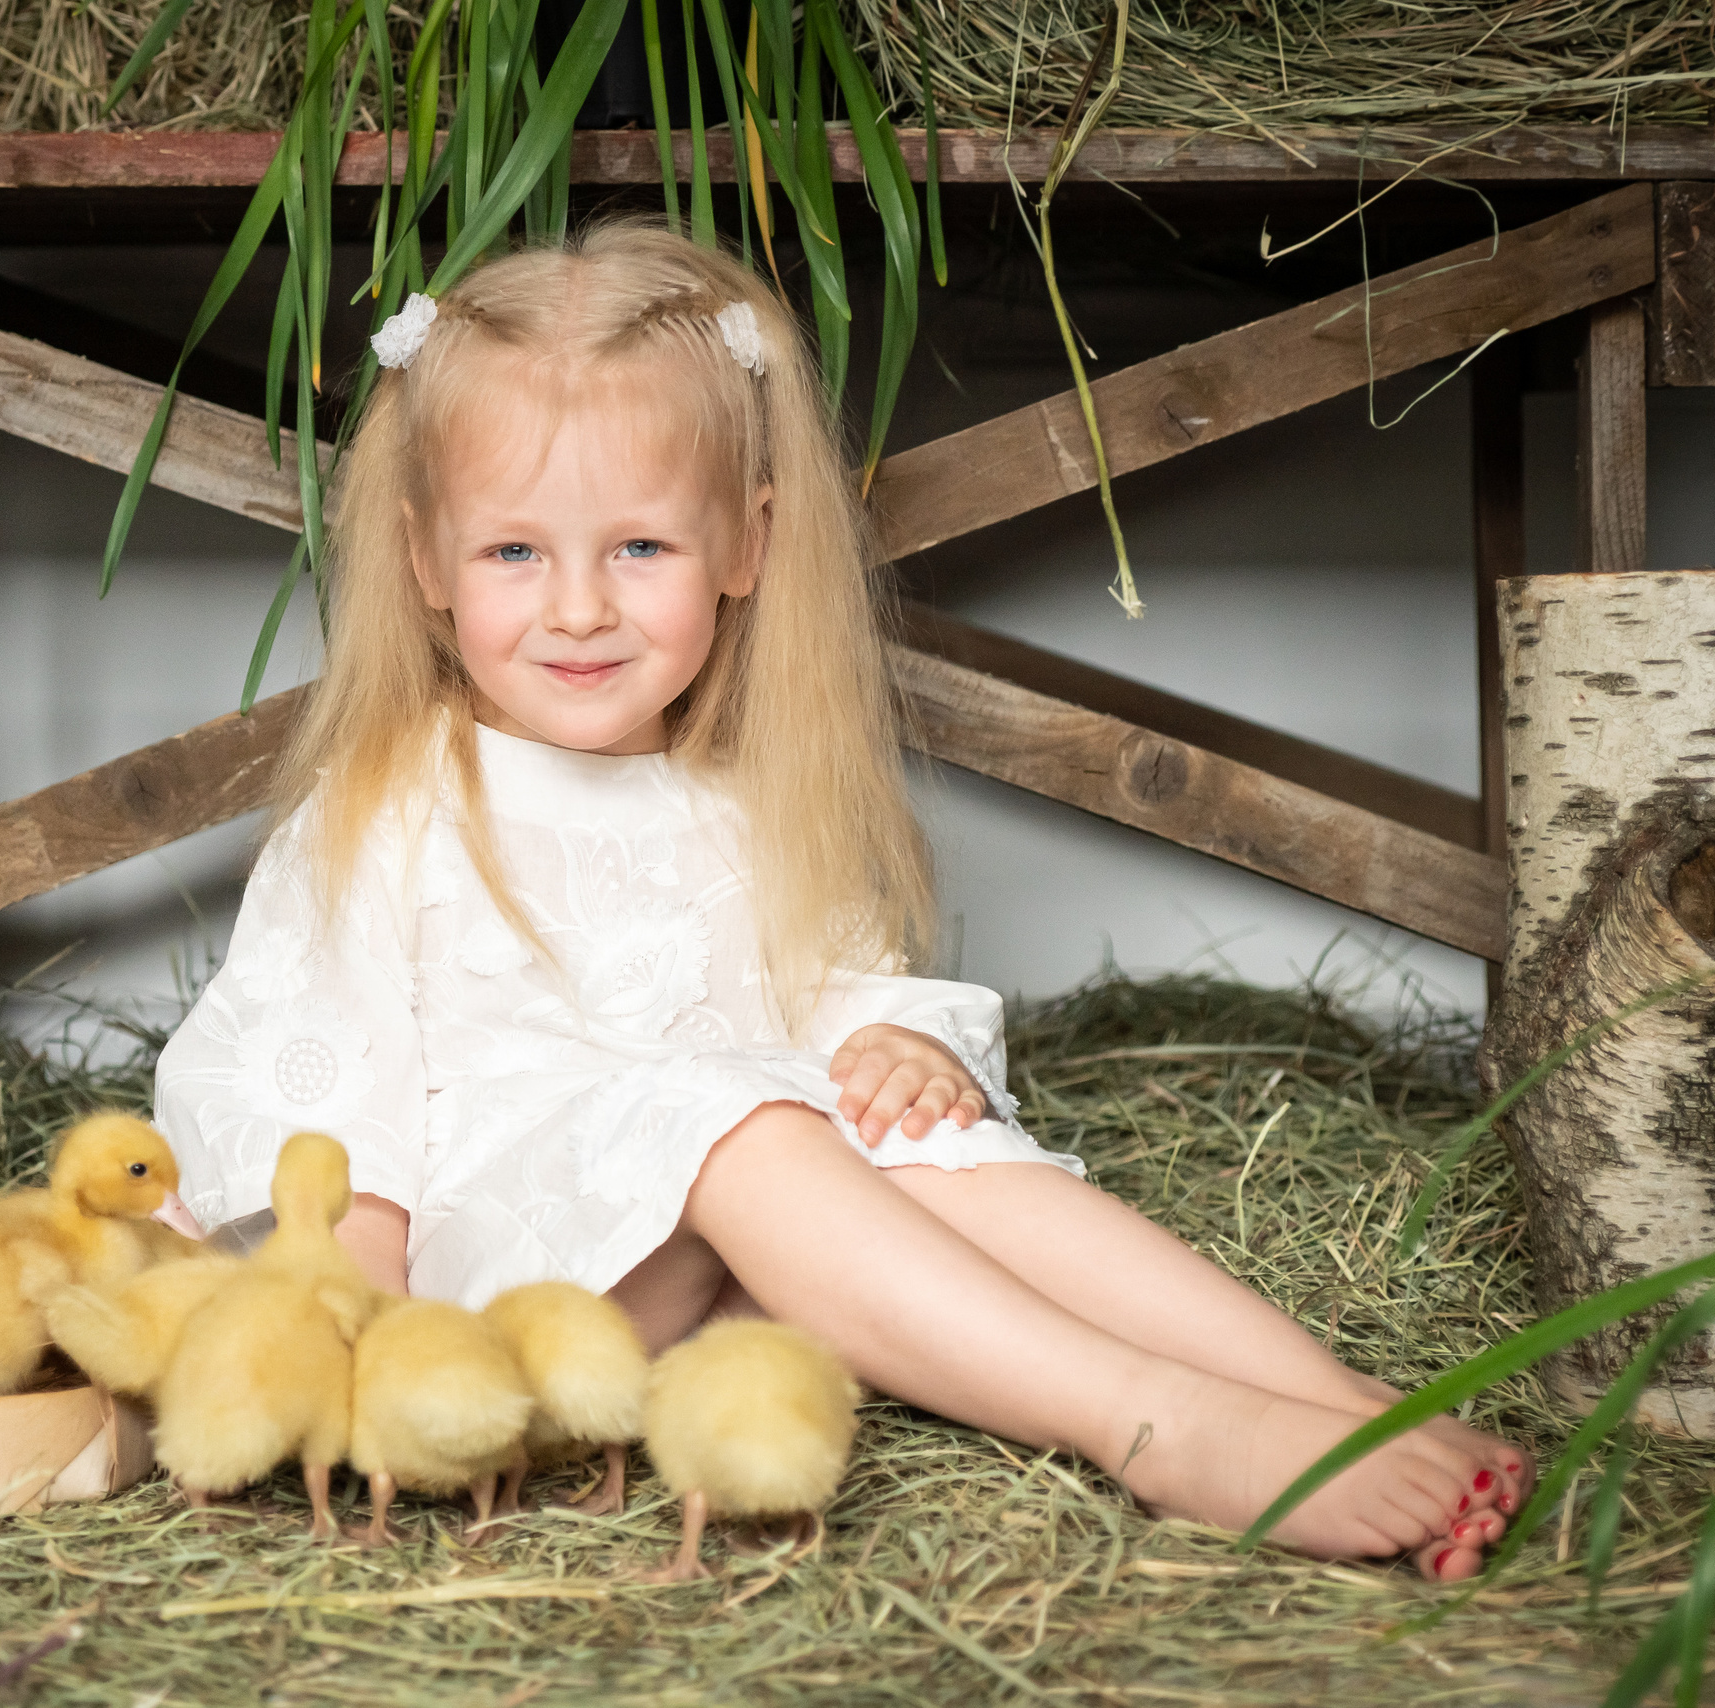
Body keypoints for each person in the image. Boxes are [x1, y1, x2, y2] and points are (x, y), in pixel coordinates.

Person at [154, 223, 1524, 1578]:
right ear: (424, 560)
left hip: (722, 1268)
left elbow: (835, 999)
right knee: (738, 1119)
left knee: (903, 1137)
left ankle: (1348, 1411)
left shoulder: (750, 804)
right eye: (515, 552)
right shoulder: (395, 799)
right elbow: (328, 1098)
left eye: (639, 547)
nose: (578, 608)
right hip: (493, 1306)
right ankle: (1153, 1423)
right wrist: (374, 1333)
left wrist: (904, 1050)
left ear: (746, 545)